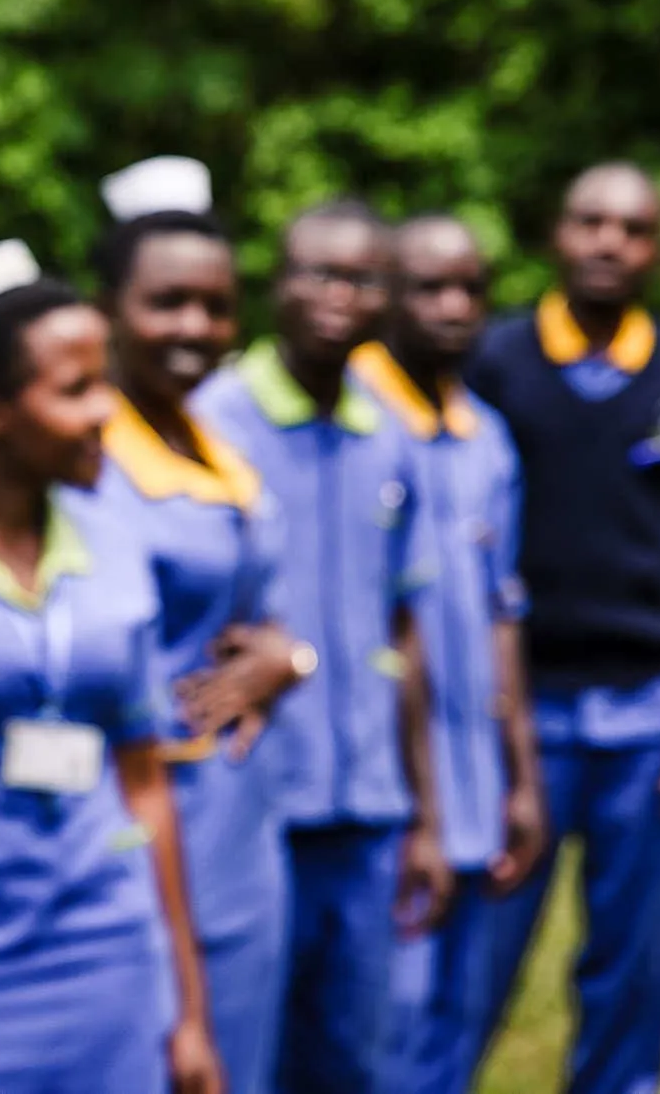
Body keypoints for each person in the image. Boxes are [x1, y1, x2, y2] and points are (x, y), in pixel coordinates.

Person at [0, 240, 220, 1094]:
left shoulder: (116, 546)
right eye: (75, 390)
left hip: (108, 945)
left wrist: (188, 1008)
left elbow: (145, 781)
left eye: (105, 382)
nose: (106, 410)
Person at [470, 162, 660, 1094]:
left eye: (632, 228)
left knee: (632, 974)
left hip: (650, 715)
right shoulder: (494, 366)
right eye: (591, 221)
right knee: (472, 961)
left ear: (657, 250)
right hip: (518, 714)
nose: (609, 242)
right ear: (557, 232)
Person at [194, 201, 450, 1094]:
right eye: (320, 275)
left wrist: (426, 815)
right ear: (278, 285)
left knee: (352, 1061)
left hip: (368, 814)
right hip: (253, 807)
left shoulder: (390, 433)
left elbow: (405, 631)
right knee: (241, 1058)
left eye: (364, 279)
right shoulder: (214, 422)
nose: (341, 297)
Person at [77, 157, 309, 1094]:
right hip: (154, 811)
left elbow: (262, 616)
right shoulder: (91, 458)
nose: (195, 328)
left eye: (215, 307)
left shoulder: (217, 439)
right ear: (108, 310)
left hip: (242, 815)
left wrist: (287, 657)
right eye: (167, 303)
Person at [347, 215, 543, 1094]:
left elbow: (504, 615)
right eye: (429, 288)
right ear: (385, 296)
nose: (454, 308)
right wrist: (418, 814)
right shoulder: (353, 423)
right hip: (384, 795)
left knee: (457, 1031)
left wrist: (521, 779)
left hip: (475, 790)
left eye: (471, 289)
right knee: (380, 1034)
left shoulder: (485, 438)